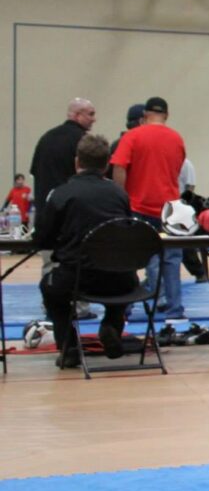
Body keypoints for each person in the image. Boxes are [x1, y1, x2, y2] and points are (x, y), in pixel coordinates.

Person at [33, 134, 136, 368]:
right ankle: (112, 323)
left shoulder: (61, 194)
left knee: (50, 288)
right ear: (107, 164)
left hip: (79, 277)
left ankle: (68, 347)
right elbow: (130, 231)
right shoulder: (119, 194)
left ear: (77, 162)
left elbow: (42, 239)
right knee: (121, 278)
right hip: (121, 278)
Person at [109, 96, 187, 320]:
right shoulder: (176, 138)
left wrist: (121, 198)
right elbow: (178, 168)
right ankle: (174, 309)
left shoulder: (133, 136)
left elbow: (119, 167)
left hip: (138, 206)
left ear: (144, 116)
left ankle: (126, 308)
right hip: (171, 209)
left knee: (133, 260)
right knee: (171, 261)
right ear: (166, 115)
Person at [30, 98, 96, 217]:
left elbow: (35, 172)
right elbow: (91, 178)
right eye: (91, 114)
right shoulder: (84, 141)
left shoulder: (46, 138)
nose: (94, 119)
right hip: (70, 213)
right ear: (78, 115)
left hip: (45, 212)